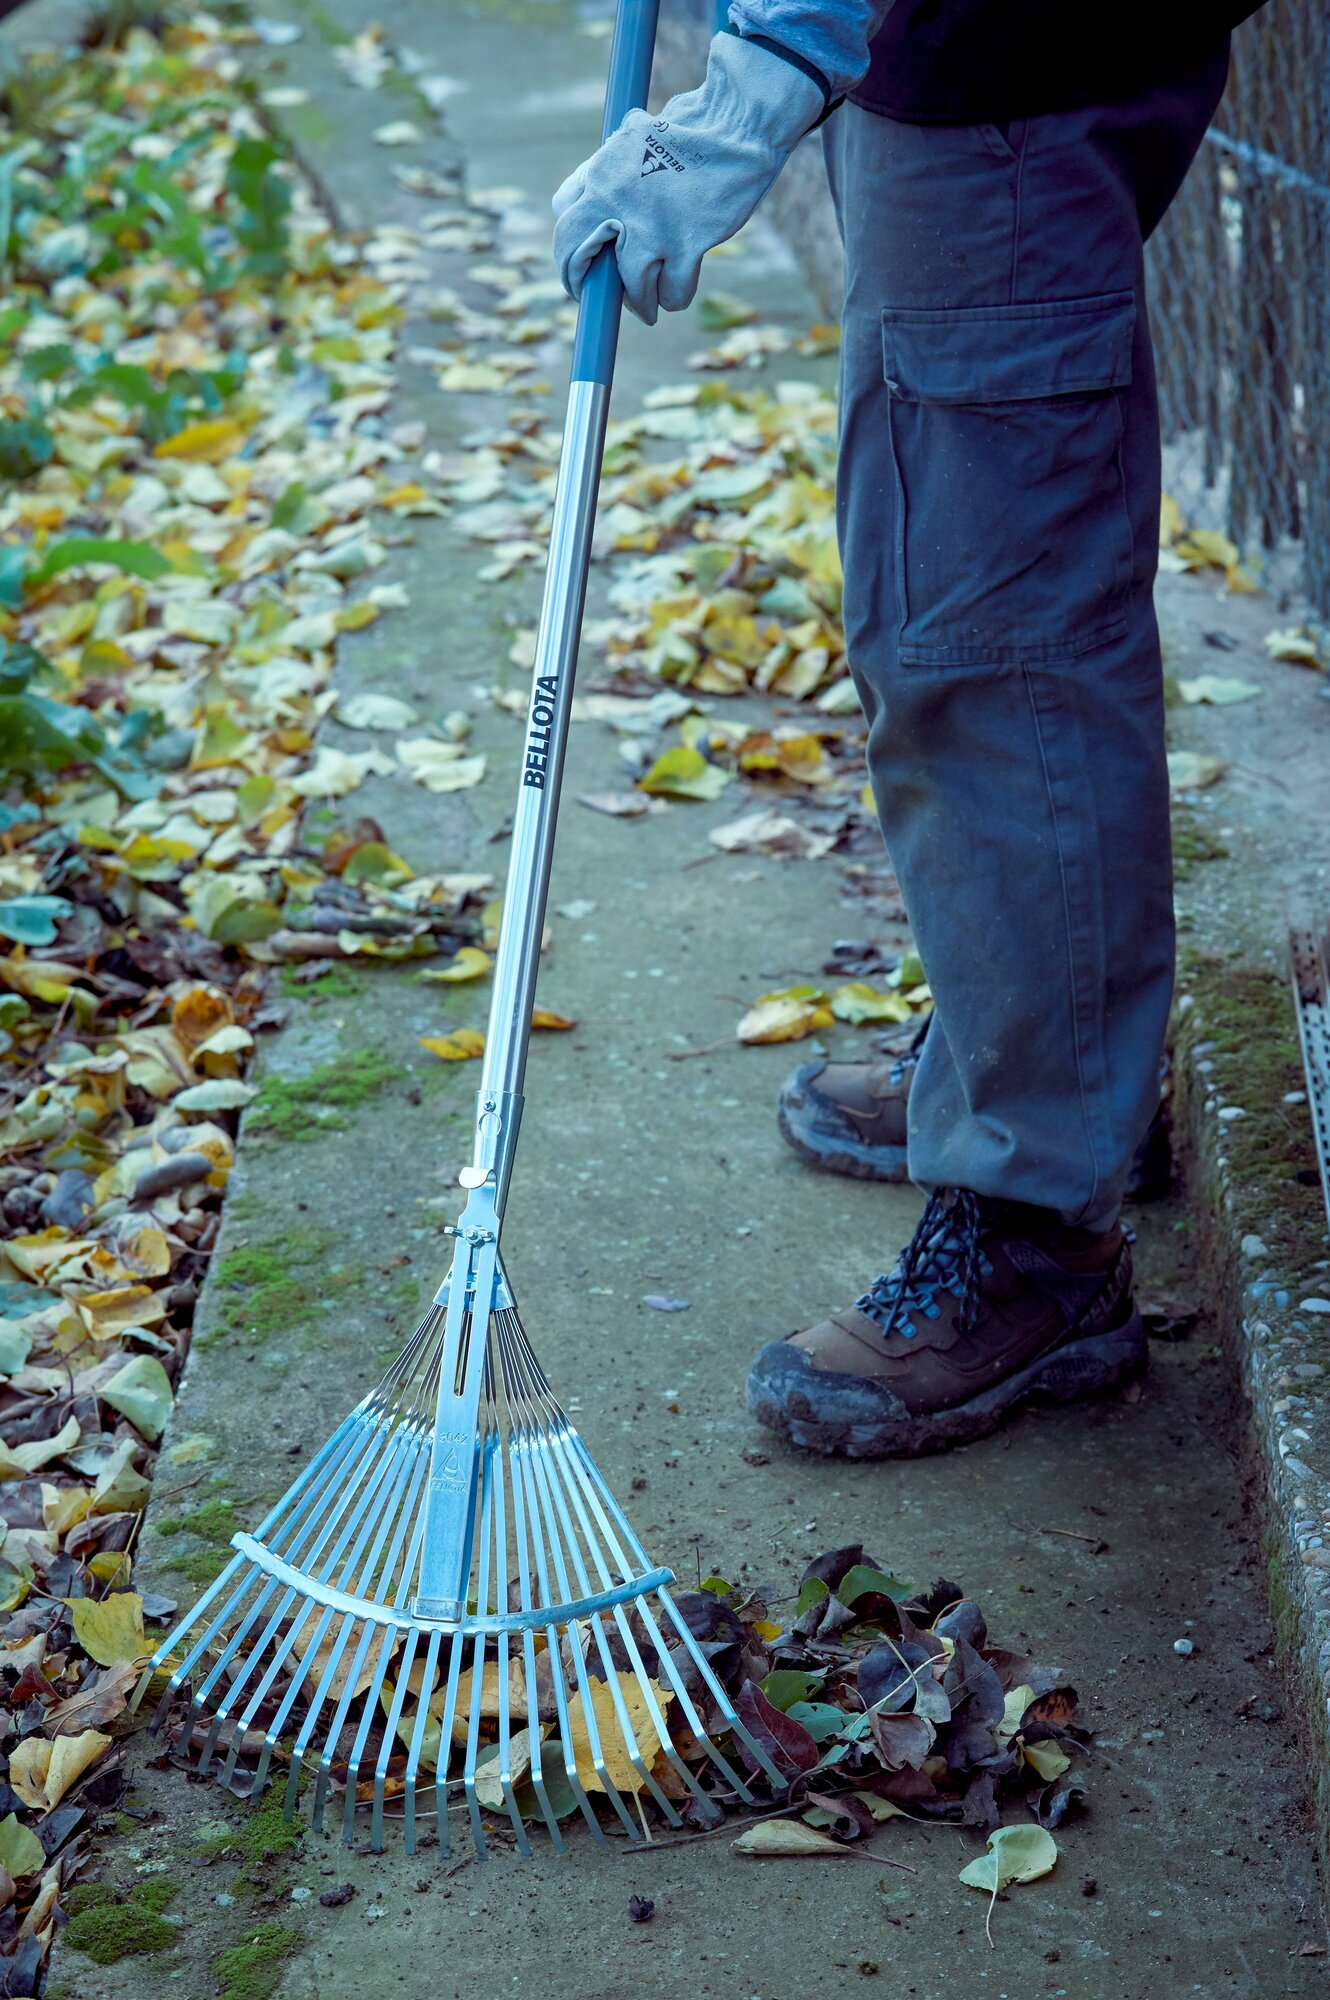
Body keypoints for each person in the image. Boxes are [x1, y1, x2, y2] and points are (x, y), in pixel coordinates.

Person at [552, 1, 1258, 1459]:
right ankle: (1030, 1076)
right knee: (959, 602)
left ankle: (1032, 1235)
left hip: (985, 75)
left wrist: (747, 89)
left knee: (989, 643)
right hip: (993, 58)